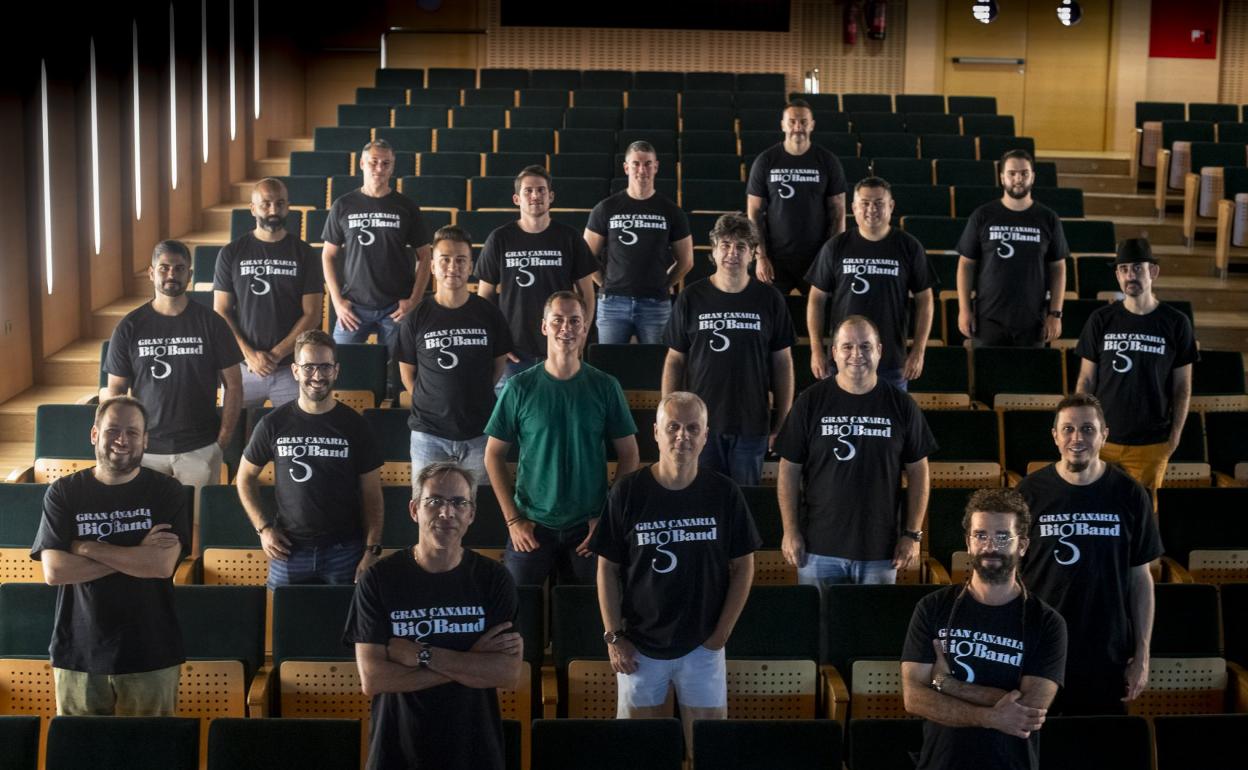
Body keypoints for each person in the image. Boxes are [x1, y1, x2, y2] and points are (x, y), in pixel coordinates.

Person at [591, 391, 759, 745]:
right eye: (673, 427)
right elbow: (606, 569)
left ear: (705, 435)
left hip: (703, 645)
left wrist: (720, 635)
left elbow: (744, 567)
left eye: (693, 428)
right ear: (656, 432)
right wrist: (613, 636)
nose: (683, 436)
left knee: (708, 749)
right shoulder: (627, 492)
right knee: (640, 752)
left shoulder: (724, 493)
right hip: (639, 647)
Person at [347, 462, 521, 770]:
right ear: (414, 509)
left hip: (473, 750)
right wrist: (471, 661)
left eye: (459, 502)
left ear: (471, 514)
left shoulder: (494, 579)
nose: (446, 512)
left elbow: (505, 673)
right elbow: (373, 679)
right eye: (435, 501)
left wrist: (421, 654)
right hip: (398, 750)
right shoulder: (378, 579)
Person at [32, 396, 190, 716]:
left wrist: (86, 547)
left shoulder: (167, 491)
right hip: (79, 651)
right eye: (112, 430)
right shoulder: (63, 492)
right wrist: (136, 555)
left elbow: (161, 565)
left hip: (151, 650)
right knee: (81, 745)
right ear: (95, 434)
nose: (122, 440)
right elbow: (56, 572)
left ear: (145, 440)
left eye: (132, 432)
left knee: (152, 745)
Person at [901, 488, 1067, 770]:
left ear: (1022, 545)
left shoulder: (1048, 622)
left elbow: (1028, 711)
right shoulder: (933, 607)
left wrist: (946, 685)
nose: (990, 546)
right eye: (980, 535)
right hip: (942, 762)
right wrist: (992, 716)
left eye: (1003, 537)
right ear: (968, 542)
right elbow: (914, 698)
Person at [1018, 393, 1162, 715]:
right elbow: (1012, 576)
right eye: (1068, 429)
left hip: (1108, 652)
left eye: (1087, 429)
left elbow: (1140, 579)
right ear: (1055, 436)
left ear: (1104, 435)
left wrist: (1142, 654)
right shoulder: (1028, 493)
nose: (1077, 438)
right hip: (1041, 650)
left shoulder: (1130, 494)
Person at [484, 291, 640, 586]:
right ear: (544, 326)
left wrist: (606, 519)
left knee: (588, 610)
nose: (566, 328)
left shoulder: (605, 386)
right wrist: (513, 520)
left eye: (574, 321)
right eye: (557, 320)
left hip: (588, 528)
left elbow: (629, 454)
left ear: (584, 328)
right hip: (531, 525)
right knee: (518, 608)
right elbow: (492, 455)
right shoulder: (519, 387)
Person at [775, 316, 935, 586]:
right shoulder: (809, 402)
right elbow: (789, 469)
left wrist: (912, 534)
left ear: (879, 351)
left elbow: (919, 472)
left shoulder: (902, 405)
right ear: (834, 352)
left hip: (880, 550)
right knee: (820, 616)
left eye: (865, 346)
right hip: (818, 548)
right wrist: (790, 530)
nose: (856, 354)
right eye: (847, 347)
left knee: (871, 617)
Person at [236, 329, 384, 587]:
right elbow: (244, 478)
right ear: (295, 371)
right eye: (309, 367)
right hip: (288, 551)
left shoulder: (356, 426)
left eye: (325, 367)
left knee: (344, 615)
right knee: (283, 614)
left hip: (345, 551)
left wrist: (372, 549)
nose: (317, 375)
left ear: (336, 371)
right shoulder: (273, 424)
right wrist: (264, 528)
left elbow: (372, 493)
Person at [661, 212, 795, 486]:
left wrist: (782, 422)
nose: (732, 253)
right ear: (713, 250)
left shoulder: (770, 299)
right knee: (703, 499)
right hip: (699, 426)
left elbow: (783, 363)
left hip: (752, 426)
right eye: (725, 245)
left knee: (743, 502)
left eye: (741, 246)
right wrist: (669, 416)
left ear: (752, 253)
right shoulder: (691, 297)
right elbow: (675, 360)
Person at [104, 240, 243, 489]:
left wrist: (222, 441)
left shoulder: (212, 323)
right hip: (145, 448)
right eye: (164, 268)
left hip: (200, 447)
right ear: (151, 273)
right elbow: (116, 390)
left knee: (197, 514)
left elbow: (233, 385)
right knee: (149, 514)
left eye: (179, 268)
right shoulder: (129, 327)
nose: (171, 274)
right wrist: (124, 438)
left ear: (190, 274)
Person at [1075, 238, 1197, 497]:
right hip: (1103, 439)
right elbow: (1085, 381)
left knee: (1144, 514)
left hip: (1151, 443)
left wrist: (1174, 437)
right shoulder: (1101, 320)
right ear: (1117, 275)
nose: (1130, 275)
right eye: (1124, 269)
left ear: (1153, 272)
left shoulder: (1176, 323)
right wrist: (1082, 430)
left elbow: (1182, 387)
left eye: (1137, 268)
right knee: (1098, 510)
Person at [397, 225, 513, 487]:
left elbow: (498, 364)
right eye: (445, 259)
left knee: (478, 507)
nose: (453, 266)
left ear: (470, 266)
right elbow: (407, 373)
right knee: (427, 507)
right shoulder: (416, 317)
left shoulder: (489, 313)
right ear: (433, 267)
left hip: (480, 433)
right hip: (429, 436)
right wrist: (432, 402)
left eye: (461, 260)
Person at [806, 177, 936, 391]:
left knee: (892, 414)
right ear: (854, 208)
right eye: (865, 203)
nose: (871, 209)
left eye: (879, 203)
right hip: (844, 362)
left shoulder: (909, 246)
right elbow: (815, 299)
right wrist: (816, 350)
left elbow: (925, 300)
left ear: (891, 206)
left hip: (892, 363)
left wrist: (918, 351)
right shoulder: (835, 247)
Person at [477, 165, 598, 392]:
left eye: (541, 190)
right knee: (511, 414)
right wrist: (497, 341)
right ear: (516, 199)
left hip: (559, 347)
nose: (535, 196)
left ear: (551, 196)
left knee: (557, 410)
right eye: (528, 191)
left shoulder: (569, 237)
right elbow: (484, 297)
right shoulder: (499, 239)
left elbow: (588, 295)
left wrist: (580, 337)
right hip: (513, 353)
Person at [214, 177, 324, 408]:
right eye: (266, 204)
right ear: (253, 208)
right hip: (243, 367)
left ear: (288, 206)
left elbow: (313, 314)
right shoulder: (231, 253)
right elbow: (221, 311)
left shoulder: (305, 253)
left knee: (293, 429)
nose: (273, 210)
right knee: (232, 429)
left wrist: (275, 355)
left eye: (280, 203)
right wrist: (250, 355)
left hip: (291, 368)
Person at [322, 139, 432, 350]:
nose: (379, 168)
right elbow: (328, 255)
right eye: (374, 162)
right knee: (339, 364)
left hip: (396, 308)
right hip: (353, 307)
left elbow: (425, 256)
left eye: (386, 163)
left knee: (397, 368)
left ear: (392, 167)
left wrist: (414, 300)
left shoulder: (406, 206)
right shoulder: (343, 205)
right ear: (362, 163)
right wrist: (337, 302)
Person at [956, 149, 1068, 347]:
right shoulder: (982, 215)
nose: (1018, 179)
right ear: (1002, 178)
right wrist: (964, 310)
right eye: (1012, 173)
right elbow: (966, 264)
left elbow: (1058, 267)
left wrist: (1055, 313)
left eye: (1024, 173)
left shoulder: (1048, 218)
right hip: (988, 319)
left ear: (1032, 177)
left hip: (1033, 320)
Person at [585, 141, 693, 344]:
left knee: (657, 362)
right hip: (612, 304)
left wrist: (664, 284)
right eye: (636, 164)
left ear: (656, 167)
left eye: (647, 164)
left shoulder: (671, 211)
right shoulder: (606, 208)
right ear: (626, 168)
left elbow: (686, 260)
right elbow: (586, 255)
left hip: (656, 304)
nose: (642, 170)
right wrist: (605, 283)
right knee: (609, 361)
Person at [747, 98, 848, 295]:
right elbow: (754, 214)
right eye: (792, 121)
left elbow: (838, 213)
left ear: (812, 125)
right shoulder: (766, 160)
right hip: (775, 259)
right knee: (770, 311)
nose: (798, 127)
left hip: (816, 259)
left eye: (803, 122)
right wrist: (761, 257)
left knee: (820, 312)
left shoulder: (828, 161)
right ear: (783, 125)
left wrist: (831, 258)